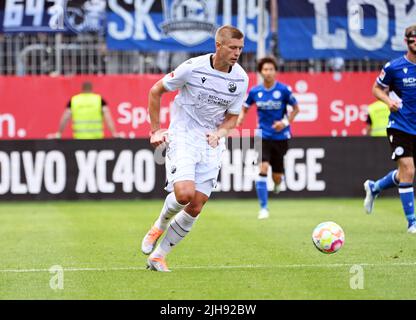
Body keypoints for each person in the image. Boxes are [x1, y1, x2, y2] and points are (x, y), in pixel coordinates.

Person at [141, 25, 249, 272]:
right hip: (183, 135)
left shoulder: (241, 78)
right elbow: (155, 91)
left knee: (196, 206)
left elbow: (232, 117)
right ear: (218, 46)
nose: (237, 53)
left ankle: (158, 256)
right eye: (233, 47)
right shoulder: (192, 67)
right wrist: (156, 130)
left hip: (211, 141)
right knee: (184, 194)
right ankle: (159, 224)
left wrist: (220, 133)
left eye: (240, 48)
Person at [363, 25, 416, 233]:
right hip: (400, 126)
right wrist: (387, 101)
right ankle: (412, 222)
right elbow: (376, 88)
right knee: (409, 170)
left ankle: (374, 187)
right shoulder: (394, 67)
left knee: (405, 173)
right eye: (413, 39)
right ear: (406, 41)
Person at [237, 56, 299, 219]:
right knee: (262, 168)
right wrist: (241, 117)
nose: (268, 72)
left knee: (276, 177)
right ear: (260, 72)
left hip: (280, 136)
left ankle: (278, 182)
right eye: (265, 69)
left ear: (275, 72)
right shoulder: (255, 91)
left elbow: (296, 109)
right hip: (262, 135)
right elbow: (245, 106)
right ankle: (263, 208)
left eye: (271, 69)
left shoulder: (284, 90)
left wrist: (284, 122)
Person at [50, 81, 119, 139]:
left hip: (79, 138)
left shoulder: (74, 100)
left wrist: (59, 133)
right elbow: (108, 118)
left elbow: (65, 118)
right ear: (92, 89)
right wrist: (114, 133)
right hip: (96, 138)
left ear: (82, 89)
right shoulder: (99, 100)